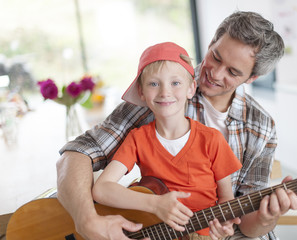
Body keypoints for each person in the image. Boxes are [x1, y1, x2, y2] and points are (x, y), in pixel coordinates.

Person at [57, 11, 297, 240]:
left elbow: (247, 224)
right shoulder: (162, 90)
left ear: (251, 78)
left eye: (232, 72)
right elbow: (77, 153)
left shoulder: (261, 126)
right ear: (212, 41)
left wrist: (268, 216)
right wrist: (86, 220)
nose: (215, 73)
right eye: (215, 56)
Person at [92, 42, 242, 240]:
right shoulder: (137, 139)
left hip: (202, 235)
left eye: (175, 83)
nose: (165, 92)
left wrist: (224, 224)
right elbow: (102, 189)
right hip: (156, 232)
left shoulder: (212, 139)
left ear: (191, 88)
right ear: (142, 92)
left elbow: (226, 198)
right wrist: (155, 204)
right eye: (154, 83)